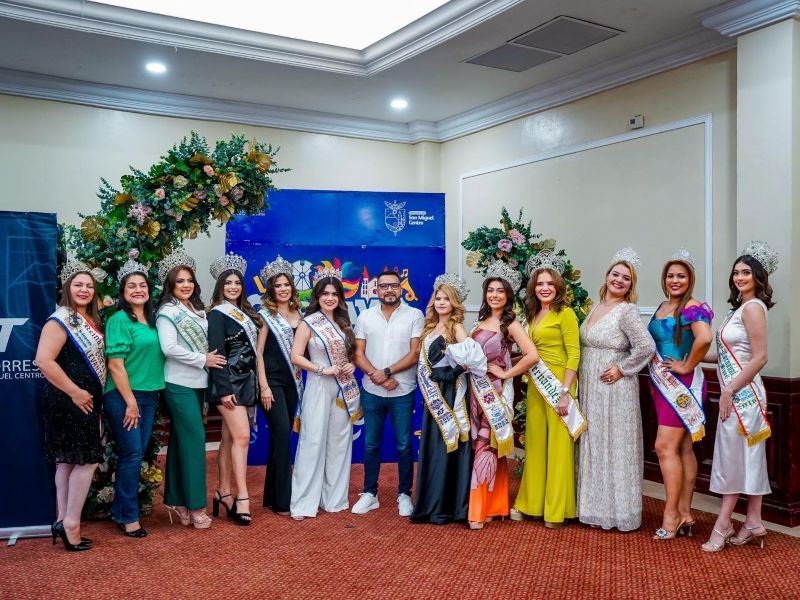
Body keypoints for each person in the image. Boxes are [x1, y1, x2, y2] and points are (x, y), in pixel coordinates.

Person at [700, 242, 777, 552]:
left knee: (735, 459)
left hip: (744, 395)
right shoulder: (739, 309)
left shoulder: (754, 307)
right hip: (736, 390)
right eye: (736, 272)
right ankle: (753, 521)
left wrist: (730, 389)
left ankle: (723, 523)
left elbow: (759, 358)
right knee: (747, 457)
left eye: (746, 272)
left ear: (758, 277)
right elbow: (728, 356)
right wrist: (690, 358)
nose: (740, 277)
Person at [576, 248, 655, 531]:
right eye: (615, 274)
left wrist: (622, 369)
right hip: (590, 387)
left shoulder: (627, 311)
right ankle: (592, 508)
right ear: (607, 276)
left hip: (614, 389)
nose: (619, 280)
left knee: (615, 446)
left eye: (626, 278)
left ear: (631, 285)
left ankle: (619, 513)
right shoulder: (595, 306)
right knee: (594, 444)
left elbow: (647, 347)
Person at [36, 262, 106, 551]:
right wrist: (76, 392)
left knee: (66, 461)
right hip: (70, 399)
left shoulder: (88, 320)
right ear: (67, 288)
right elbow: (43, 360)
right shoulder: (59, 319)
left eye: (89, 286)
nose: (84, 289)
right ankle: (72, 524)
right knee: (87, 460)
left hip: (82, 399)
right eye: (78, 284)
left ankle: (62, 519)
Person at [156, 251, 225, 530]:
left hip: (198, 384)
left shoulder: (196, 311)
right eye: (179, 281)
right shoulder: (167, 312)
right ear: (170, 285)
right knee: (196, 442)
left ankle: (176, 500)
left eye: (189, 281)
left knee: (181, 442)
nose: (185, 285)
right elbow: (168, 348)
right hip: (178, 384)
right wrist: (203, 359)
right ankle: (196, 506)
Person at [647, 249, 713, 540]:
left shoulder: (692, 306)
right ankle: (686, 513)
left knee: (665, 448)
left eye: (681, 276)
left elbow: (705, 338)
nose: (675, 280)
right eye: (671, 275)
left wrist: (687, 364)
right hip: (662, 384)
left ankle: (671, 515)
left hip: (682, 384)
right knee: (684, 449)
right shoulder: (663, 304)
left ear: (690, 279)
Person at [513, 250, 582, 528]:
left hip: (558, 386)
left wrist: (565, 392)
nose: (544, 288)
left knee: (558, 448)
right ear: (533, 288)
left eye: (549, 284)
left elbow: (574, 355)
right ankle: (531, 504)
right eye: (540, 284)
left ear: (558, 287)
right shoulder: (532, 315)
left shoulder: (565, 314)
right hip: (535, 387)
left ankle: (556, 509)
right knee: (537, 446)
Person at [469, 261, 539, 529]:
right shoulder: (480, 321)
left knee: (485, 446)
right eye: (490, 290)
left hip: (495, 395)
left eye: (500, 291)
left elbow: (532, 355)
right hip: (476, 392)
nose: (495, 295)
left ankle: (477, 511)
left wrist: (506, 374)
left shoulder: (511, 324)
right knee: (489, 447)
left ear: (508, 295)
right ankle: (495, 505)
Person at [352, 270, 424, 517]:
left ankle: (404, 494)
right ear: (376, 290)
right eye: (384, 286)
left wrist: (387, 372)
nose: (389, 290)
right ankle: (369, 493)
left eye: (394, 286)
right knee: (371, 444)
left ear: (401, 288)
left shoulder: (415, 315)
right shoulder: (365, 316)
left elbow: (415, 353)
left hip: (402, 389)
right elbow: (358, 353)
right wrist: (378, 377)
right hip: (372, 390)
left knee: (404, 445)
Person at [289, 267, 360, 520]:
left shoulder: (344, 324)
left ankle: (334, 499)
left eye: (334, 294)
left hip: (342, 387)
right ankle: (303, 503)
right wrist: (321, 368)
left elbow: (350, 355)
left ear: (340, 297)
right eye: (325, 293)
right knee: (312, 442)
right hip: (318, 384)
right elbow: (295, 356)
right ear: (317, 296)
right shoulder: (308, 323)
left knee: (339, 444)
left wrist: (351, 363)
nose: (330, 298)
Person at [104, 258, 165, 538]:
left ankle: (120, 510)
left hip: (149, 395)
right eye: (132, 286)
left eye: (142, 285)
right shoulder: (118, 320)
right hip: (123, 395)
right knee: (130, 454)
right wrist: (129, 401)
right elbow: (115, 364)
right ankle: (128, 517)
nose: (138, 290)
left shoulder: (154, 321)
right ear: (123, 291)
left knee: (136, 453)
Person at [207, 252, 264, 526]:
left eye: (237, 283)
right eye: (228, 283)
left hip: (246, 382)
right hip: (227, 384)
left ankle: (223, 492)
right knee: (242, 437)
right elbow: (216, 355)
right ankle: (242, 497)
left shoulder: (245, 314)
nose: (233, 287)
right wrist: (224, 389)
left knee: (229, 440)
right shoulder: (217, 315)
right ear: (220, 286)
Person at [411, 274, 474, 525]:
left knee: (447, 446)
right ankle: (429, 504)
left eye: (446, 298)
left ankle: (446, 507)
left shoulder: (456, 327)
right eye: (438, 298)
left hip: (449, 393)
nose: (441, 302)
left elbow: (472, 358)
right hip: (432, 393)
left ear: (454, 302)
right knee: (433, 447)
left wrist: (453, 371)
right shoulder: (429, 327)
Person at [256, 256, 303, 516]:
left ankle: (273, 495)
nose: (283, 289)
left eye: (286, 284)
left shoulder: (301, 313)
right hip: (271, 382)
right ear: (271, 290)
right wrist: (263, 386)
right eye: (278, 285)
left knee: (280, 438)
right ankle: (284, 499)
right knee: (282, 433)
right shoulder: (265, 316)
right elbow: (258, 353)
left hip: (291, 383)